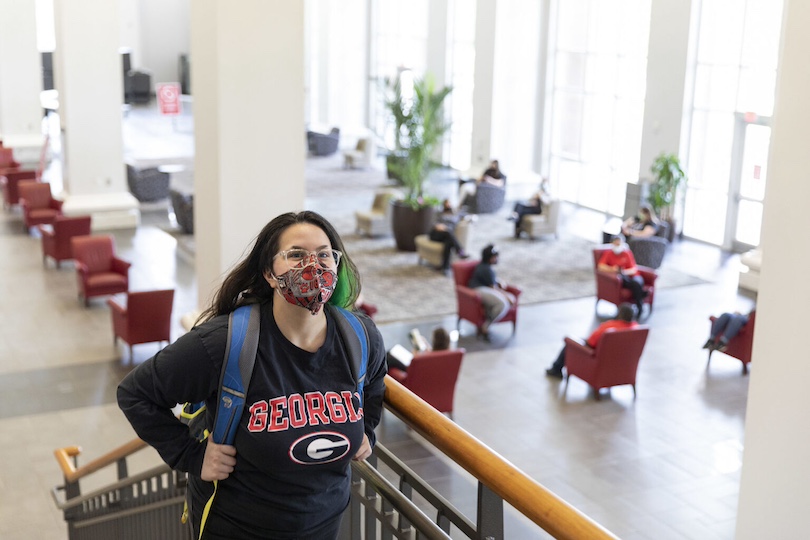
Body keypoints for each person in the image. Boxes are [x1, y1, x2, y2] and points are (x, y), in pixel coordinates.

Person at [117, 211, 387, 540]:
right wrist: (192, 456)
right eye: (297, 255)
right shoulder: (225, 343)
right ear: (270, 274)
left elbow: (374, 384)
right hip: (238, 528)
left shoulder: (360, 337)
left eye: (324, 255)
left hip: (324, 525)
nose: (313, 266)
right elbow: (136, 393)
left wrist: (367, 433)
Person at [546, 303, 637, 378]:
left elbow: (591, 342)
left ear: (619, 314)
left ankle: (556, 369)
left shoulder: (609, 327)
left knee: (570, 343)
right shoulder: (636, 329)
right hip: (620, 363)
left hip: (599, 359)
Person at [467, 244, 517, 341]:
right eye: (495, 257)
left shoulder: (486, 267)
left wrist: (499, 281)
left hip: (486, 289)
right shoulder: (486, 269)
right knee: (502, 304)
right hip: (479, 289)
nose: (497, 259)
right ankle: (486, 326)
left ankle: (487, 320)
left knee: (510, 298)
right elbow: (493, 288)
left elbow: (493, 281)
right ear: (490, 258)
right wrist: (507, 297)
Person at [598, 234, 648, 318]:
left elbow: (633, 269)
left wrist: (624, 272)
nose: (618, 246)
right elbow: (600, 267)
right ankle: (641, 301)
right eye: (616, 244)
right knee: (634, 284)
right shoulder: (608, 253)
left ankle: (640, 300)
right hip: (621, 278)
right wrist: (612, 269)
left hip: (632, 276)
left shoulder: (627, 253)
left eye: (619, 244)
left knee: (636, 282)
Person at [386, 326, 452, 372]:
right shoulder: (449, 355)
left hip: (413, 370)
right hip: (429, 373)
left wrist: (415, 350)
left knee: (389, 356)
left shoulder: (428, 358)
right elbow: (434, 353)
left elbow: (414, 362)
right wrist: (426, 344)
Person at [428, 199, 470, 272]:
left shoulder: (455, 214)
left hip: (447, 235)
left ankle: (445, 267)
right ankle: (460, 251)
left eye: (449, 203)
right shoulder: (439, 213)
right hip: (436, 234)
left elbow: (466, 215)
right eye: (446, 203)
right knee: (448, 233)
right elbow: (434, 224)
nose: (448, 205)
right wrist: (440, 227)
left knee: (448, 242)